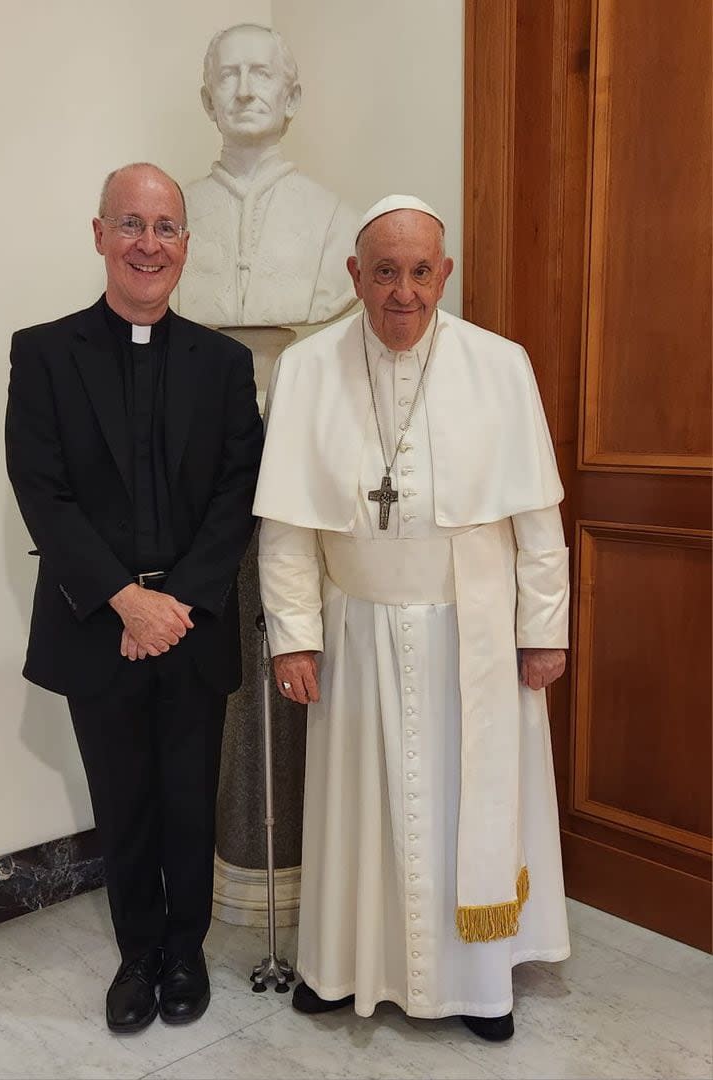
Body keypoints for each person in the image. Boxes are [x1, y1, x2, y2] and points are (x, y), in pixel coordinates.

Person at [254, 195, 570, 1041]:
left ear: (446, 274)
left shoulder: (500, 365)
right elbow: (286, 527)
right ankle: (339, 967)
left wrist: (543, 627)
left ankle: (477, 987)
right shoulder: (311, 368)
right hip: (353, 628)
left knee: (468, 812)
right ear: (355, 276)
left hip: (470, 633)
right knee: (360, 814)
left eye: (420, 271)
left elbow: (538, 519)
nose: (404, 292)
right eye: (385, 272)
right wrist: (295, 635)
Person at [5, 163, 263, 1034]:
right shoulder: (42, 352)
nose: (148, 243)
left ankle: (185, 952)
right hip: (96, 623)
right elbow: (40, 488)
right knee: (124, 796)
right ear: (100, 235)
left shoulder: (224, 365)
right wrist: (124, 599)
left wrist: (176, 603)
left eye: (165, 227)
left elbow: (239, 490)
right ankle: (137, 953)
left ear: (186, 245)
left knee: (190, 794)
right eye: (131, 224)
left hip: (189, 623)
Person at [180, 23, 358, 328]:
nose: (245, 92)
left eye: (261, 74)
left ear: (292, 99)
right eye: (228, 76)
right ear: (209, 102)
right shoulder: (172, 216)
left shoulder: (341, 223)